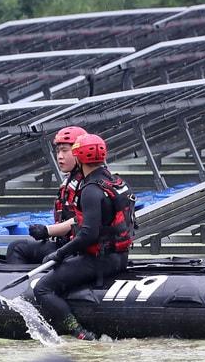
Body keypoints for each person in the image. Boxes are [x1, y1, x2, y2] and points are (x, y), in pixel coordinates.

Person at [32, 133, 135, 341]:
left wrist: (59, 254)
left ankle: (78, 331)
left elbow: (88, 234)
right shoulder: (115, 182)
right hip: (120, 257)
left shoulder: (90, 190)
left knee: (43, 288)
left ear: (78, 158)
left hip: (100, 261)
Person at [7, 125, 87, 265]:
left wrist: (47, 231)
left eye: (65, 151)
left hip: (78, 250)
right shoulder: (70, 180)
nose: (60, 156)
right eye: (58, 151)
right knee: (16, 247)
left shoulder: (88, 183)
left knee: (32, 255)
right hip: (64, 244)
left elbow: (82, 219)